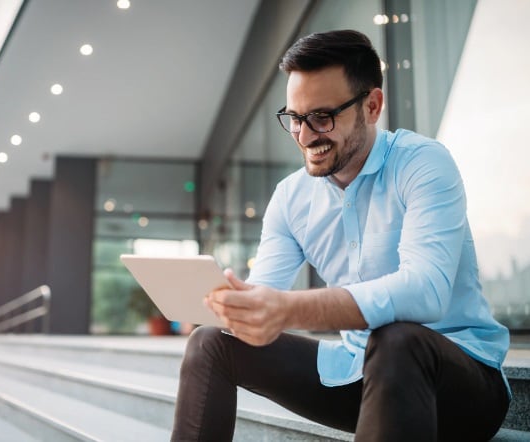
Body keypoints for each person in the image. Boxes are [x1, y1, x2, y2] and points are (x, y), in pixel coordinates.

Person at [171, 29, 510, 442]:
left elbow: (425, 291)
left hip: (462, 384)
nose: (305, 135)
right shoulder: (291, 197)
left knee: (398, 338)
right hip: (359, 374)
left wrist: (288, 309)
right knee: (211, 343)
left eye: (321, 117)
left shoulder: (422, 163)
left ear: (372, 105)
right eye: (295, 118)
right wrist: (236, 306)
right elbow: (266, 295)